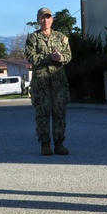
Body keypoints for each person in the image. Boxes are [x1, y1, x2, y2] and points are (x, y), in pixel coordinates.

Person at [25, 8, 72, 156]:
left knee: (59, 114)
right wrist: (49, 58)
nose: (45, 20)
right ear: (39, 20)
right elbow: (30, 57)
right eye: (42, 18)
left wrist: (61, 58)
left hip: (58, 82)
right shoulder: (33, 38)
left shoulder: (61, 37)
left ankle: (59, 144)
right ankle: (45, 144)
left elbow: (69, 55)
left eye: (48, 18)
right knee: (43, 114)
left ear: (52, 20)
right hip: (41, 82)